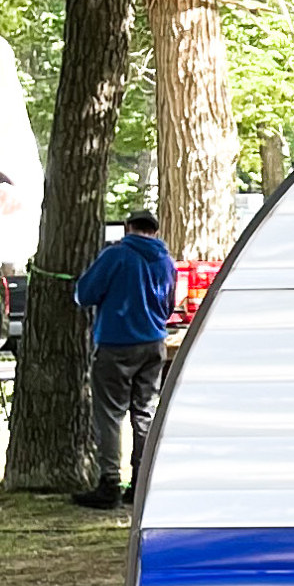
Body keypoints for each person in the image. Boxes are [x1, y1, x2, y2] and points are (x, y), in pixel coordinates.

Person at [72, 207, 178, 508]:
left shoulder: (115, 255)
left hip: (116, 344)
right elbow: (169, 306)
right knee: (144, 413)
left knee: (110, 415)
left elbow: (84, 294)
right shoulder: (167, 262)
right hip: (154, 344)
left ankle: (109, 484)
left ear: (128, 227)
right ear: (155, 231)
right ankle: (141, 483)